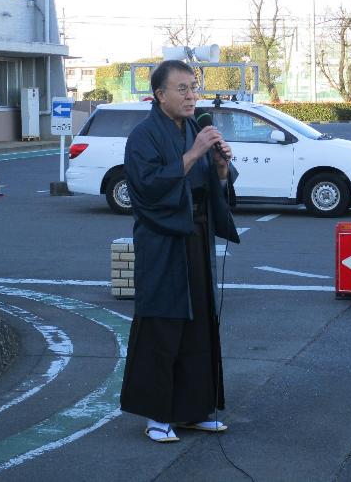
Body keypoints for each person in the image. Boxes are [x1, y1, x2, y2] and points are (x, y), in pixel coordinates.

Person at [120, 60, 240, 443]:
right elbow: (147, 188)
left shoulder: (195, 128)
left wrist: (220, 167)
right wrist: (193, 154)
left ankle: (194, 410)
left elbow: (211, 184)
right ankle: (158, 415)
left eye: (193, 87)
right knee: (163, 325)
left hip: (196, 236)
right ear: (160, 95)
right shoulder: (143, 136)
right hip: (162, 241)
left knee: (199, 323)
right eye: (182, 89)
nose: (191, 96)